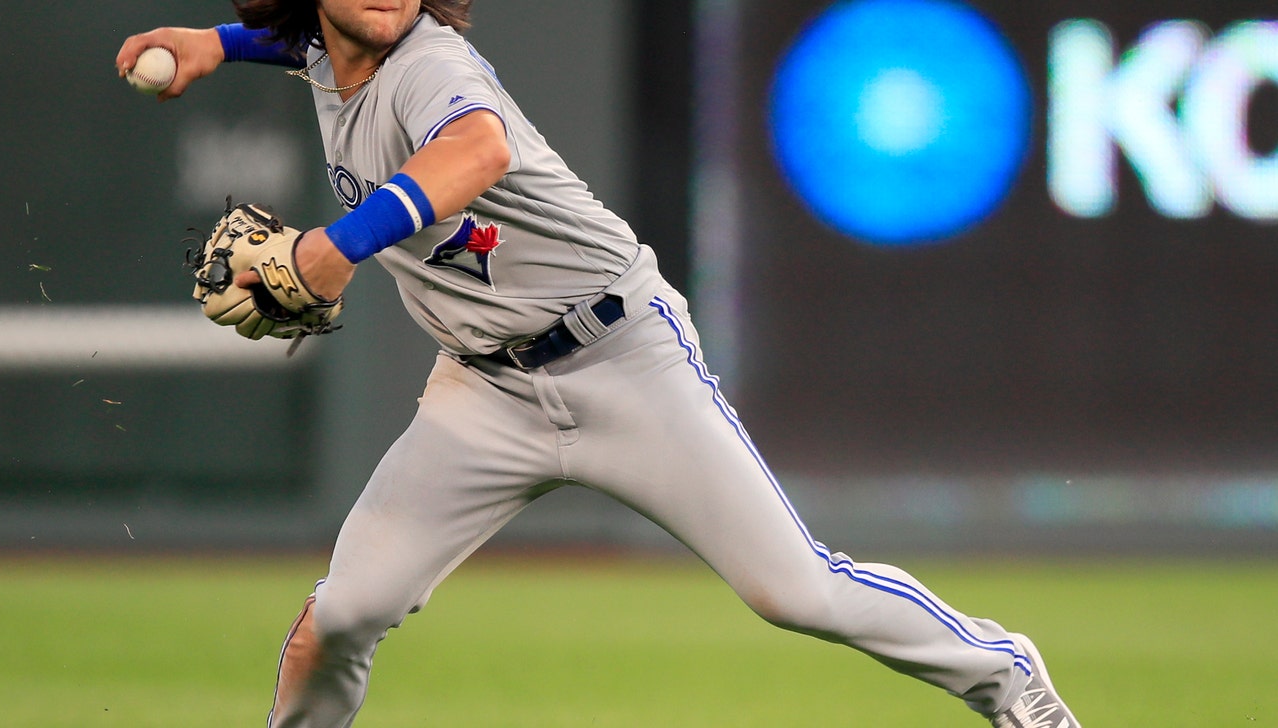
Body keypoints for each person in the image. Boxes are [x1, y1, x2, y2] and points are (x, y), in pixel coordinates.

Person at [117, 2, 1081, 726]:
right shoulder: (330, 54)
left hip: (621, 356)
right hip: (482, 392)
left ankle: (1005, 673)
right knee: (347, 610)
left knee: (796, 591)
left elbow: (477, 146)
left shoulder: (429, 62)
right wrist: (221, 41)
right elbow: (313, 42)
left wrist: (333, 250)